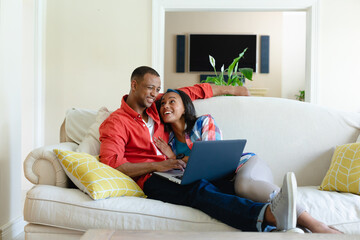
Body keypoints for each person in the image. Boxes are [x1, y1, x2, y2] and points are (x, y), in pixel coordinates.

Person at [99, 66, 298, 232]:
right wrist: (156, 166)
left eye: (157, 89)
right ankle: (268, 216)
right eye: (150, 88)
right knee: (198, 190)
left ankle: (282, 225)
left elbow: (194, 91)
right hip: (151, 178)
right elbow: (112, 164)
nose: (154, 94)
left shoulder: (156, 107)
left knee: (229, 187)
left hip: (175, 170)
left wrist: (233, 89)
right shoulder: (116, 122)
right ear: (134, 85)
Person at [154, 88, 341, 234]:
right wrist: (171, 158)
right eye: (162, 103)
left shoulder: (203, 122)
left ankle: (315, 224)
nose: (165, 106)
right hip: (224, 181)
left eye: (172, 101)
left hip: (245, 165)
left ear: (185, 107)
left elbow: (209, 157)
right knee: (231, 196)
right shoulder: (168, 141)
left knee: (243, 187)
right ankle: (292, 227)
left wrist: (174, 157)